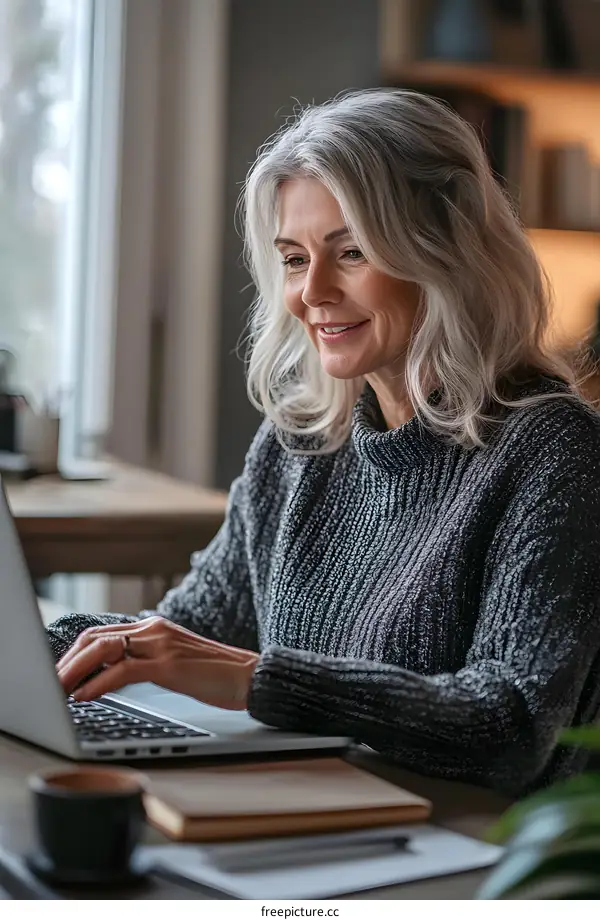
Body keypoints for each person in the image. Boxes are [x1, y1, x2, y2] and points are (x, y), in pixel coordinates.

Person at [49, 89, 600, 798]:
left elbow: (510, 725)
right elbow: (186, 632)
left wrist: (253, 679)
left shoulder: (556, 453)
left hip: (468, 856)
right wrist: (52, 647)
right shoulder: (301, 443)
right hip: (320, 812)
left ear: (446, 250)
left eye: (351, 252)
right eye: (294, 259)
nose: (314, 293)